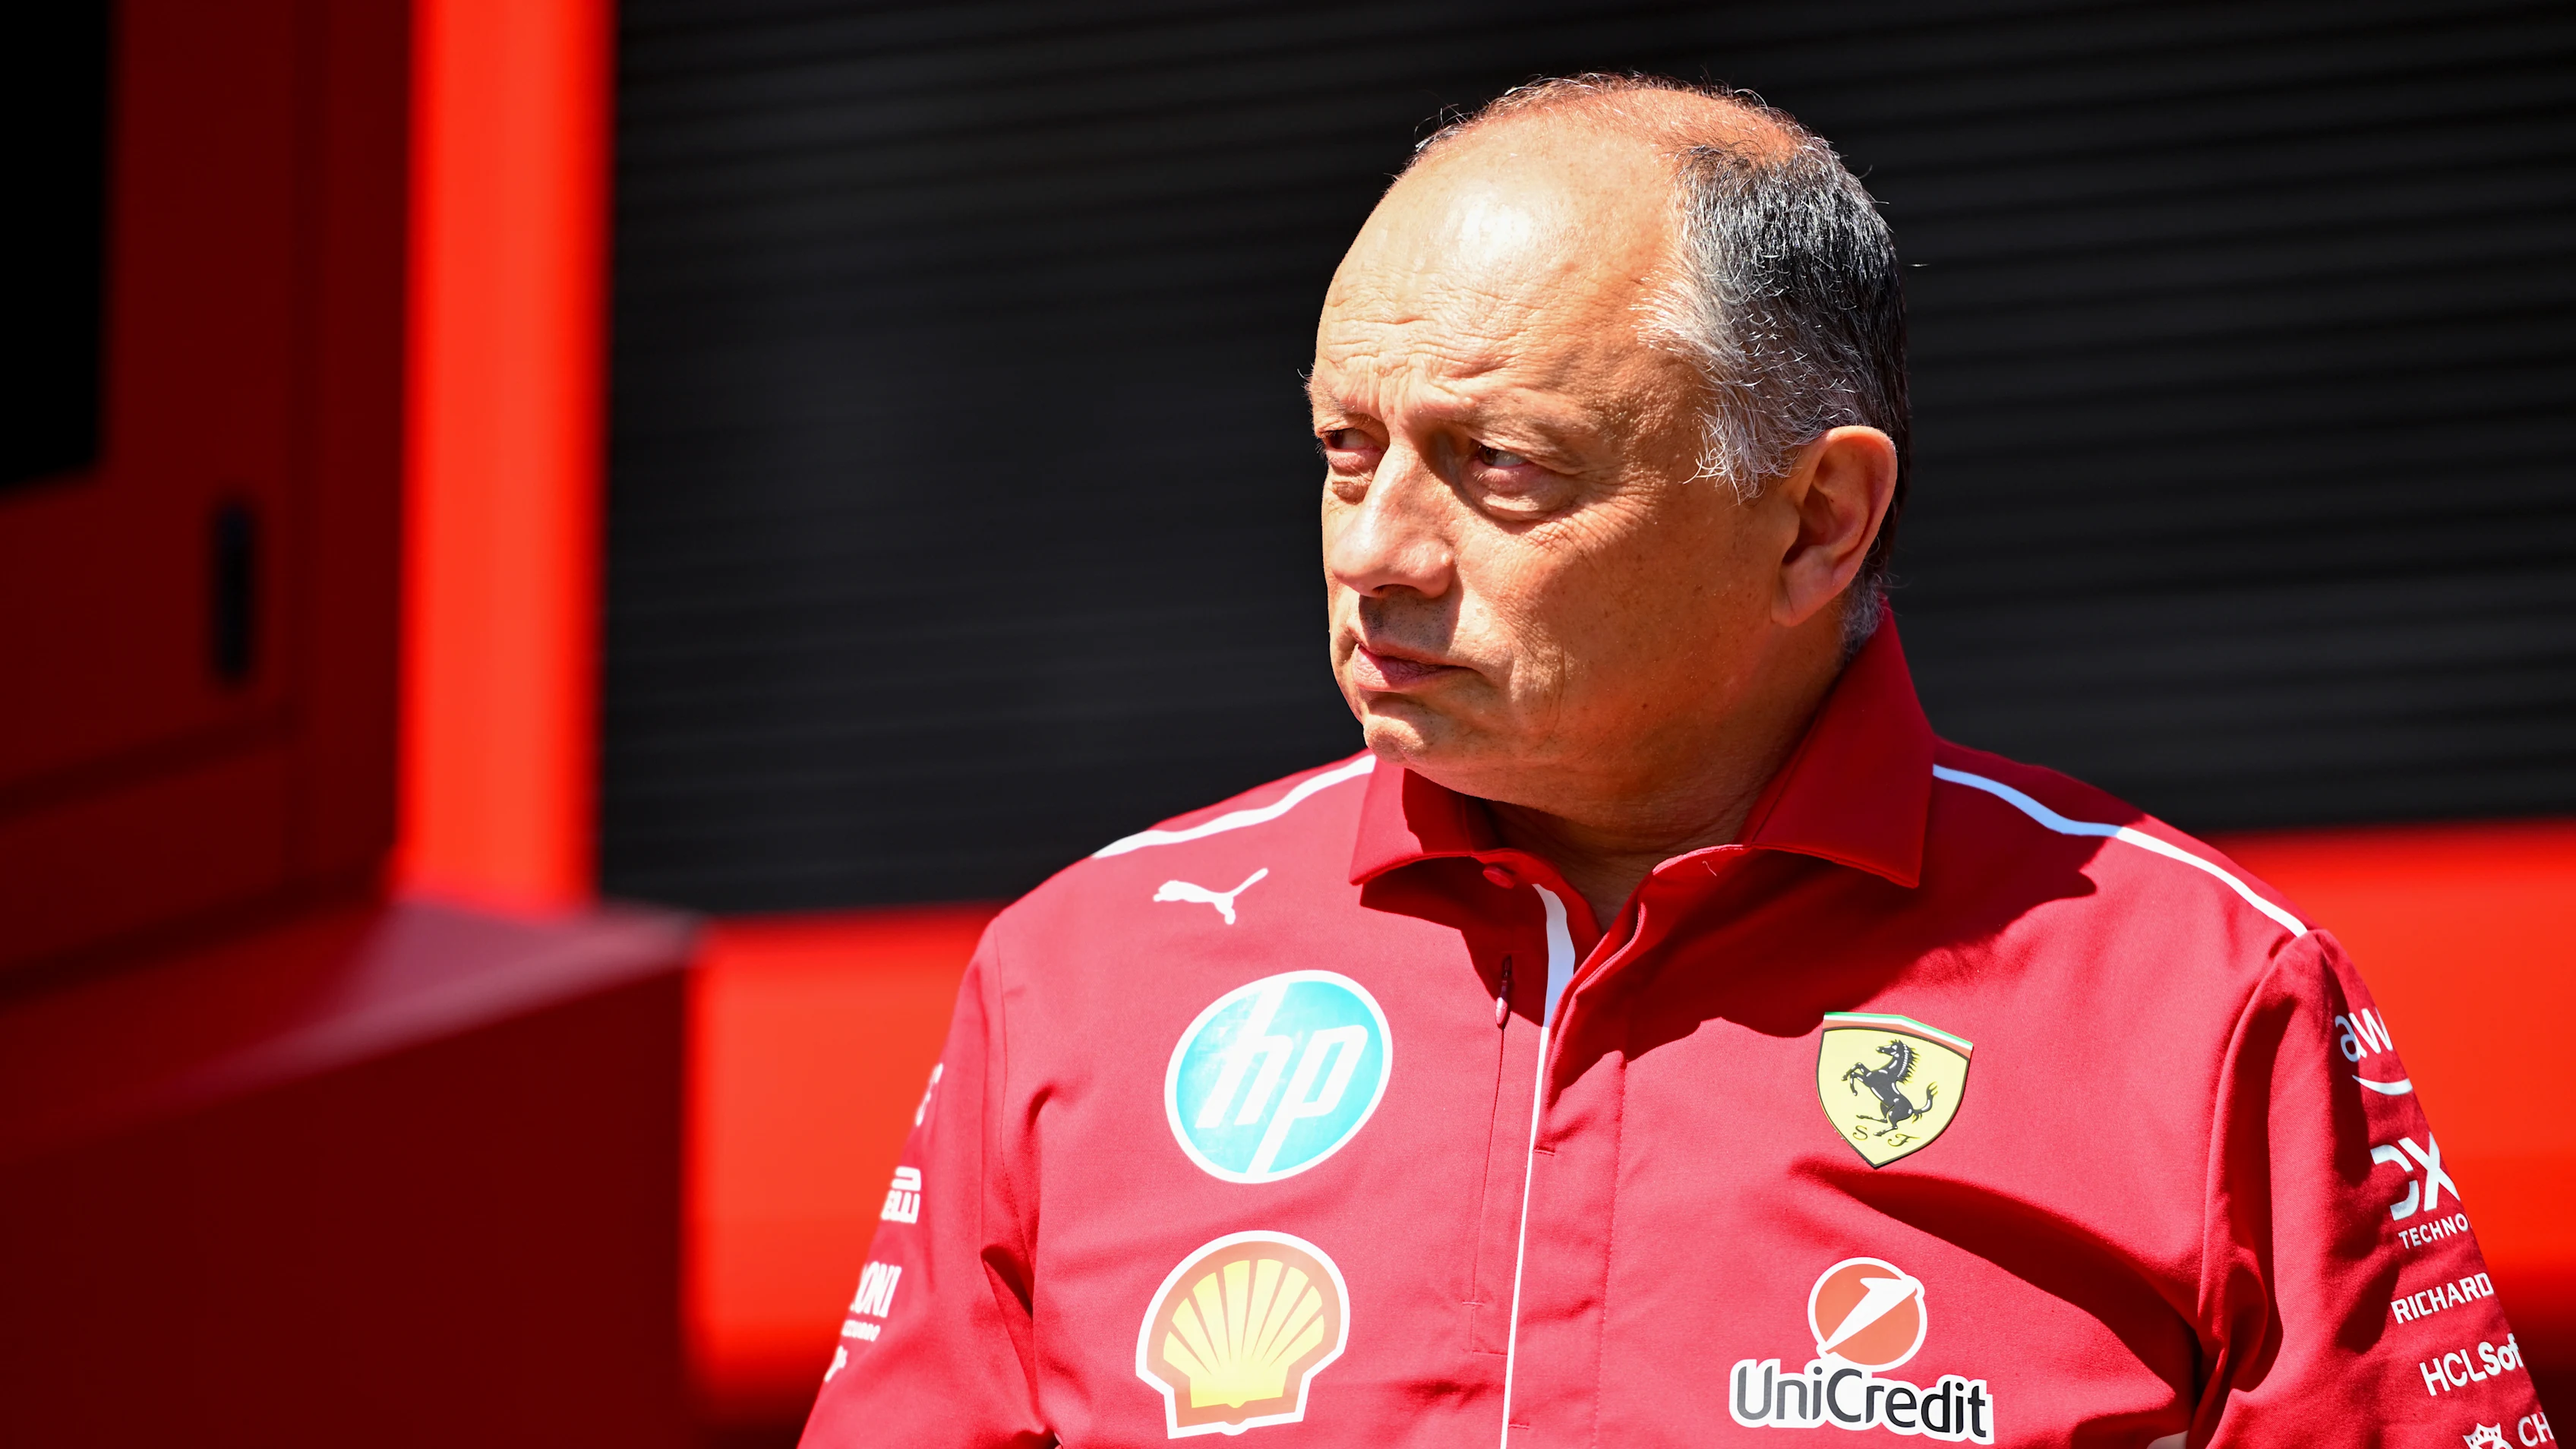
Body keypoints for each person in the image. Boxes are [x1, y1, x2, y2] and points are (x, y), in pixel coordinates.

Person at [800, 75, 2535, 1447]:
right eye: (1345, 448)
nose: (1377, 551)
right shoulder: (1084, 973)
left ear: (1816, 520)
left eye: (1501, 466)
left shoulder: (2199, 997)